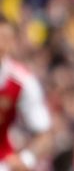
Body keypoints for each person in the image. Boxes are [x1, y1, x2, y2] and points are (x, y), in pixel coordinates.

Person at [0, 16, 53, 171]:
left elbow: (45, 134)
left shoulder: (22, 81)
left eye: (4, 38)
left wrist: (25, 159)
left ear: (12, 43)